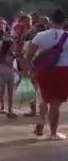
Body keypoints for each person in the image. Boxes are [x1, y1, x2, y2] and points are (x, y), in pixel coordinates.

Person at [26, 9, 68, 140]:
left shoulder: (41, 36)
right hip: (63, 71)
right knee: (55, 104)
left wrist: (29, 69)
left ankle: (41, 121)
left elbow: (29, 54)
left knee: (44, 98)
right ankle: (53, 133)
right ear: (64, 21)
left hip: (44, 71)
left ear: (51, 20)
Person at [0, 39, 18, 118]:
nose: (14, 47)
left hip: (9, 74)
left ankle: (10, 109)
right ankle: (2, 107)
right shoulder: (2, 54)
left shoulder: (12, 54)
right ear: (8, 46)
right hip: (4, 74)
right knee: (2, 91)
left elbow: (11, 66)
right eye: (12, 45)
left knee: (10, 92)